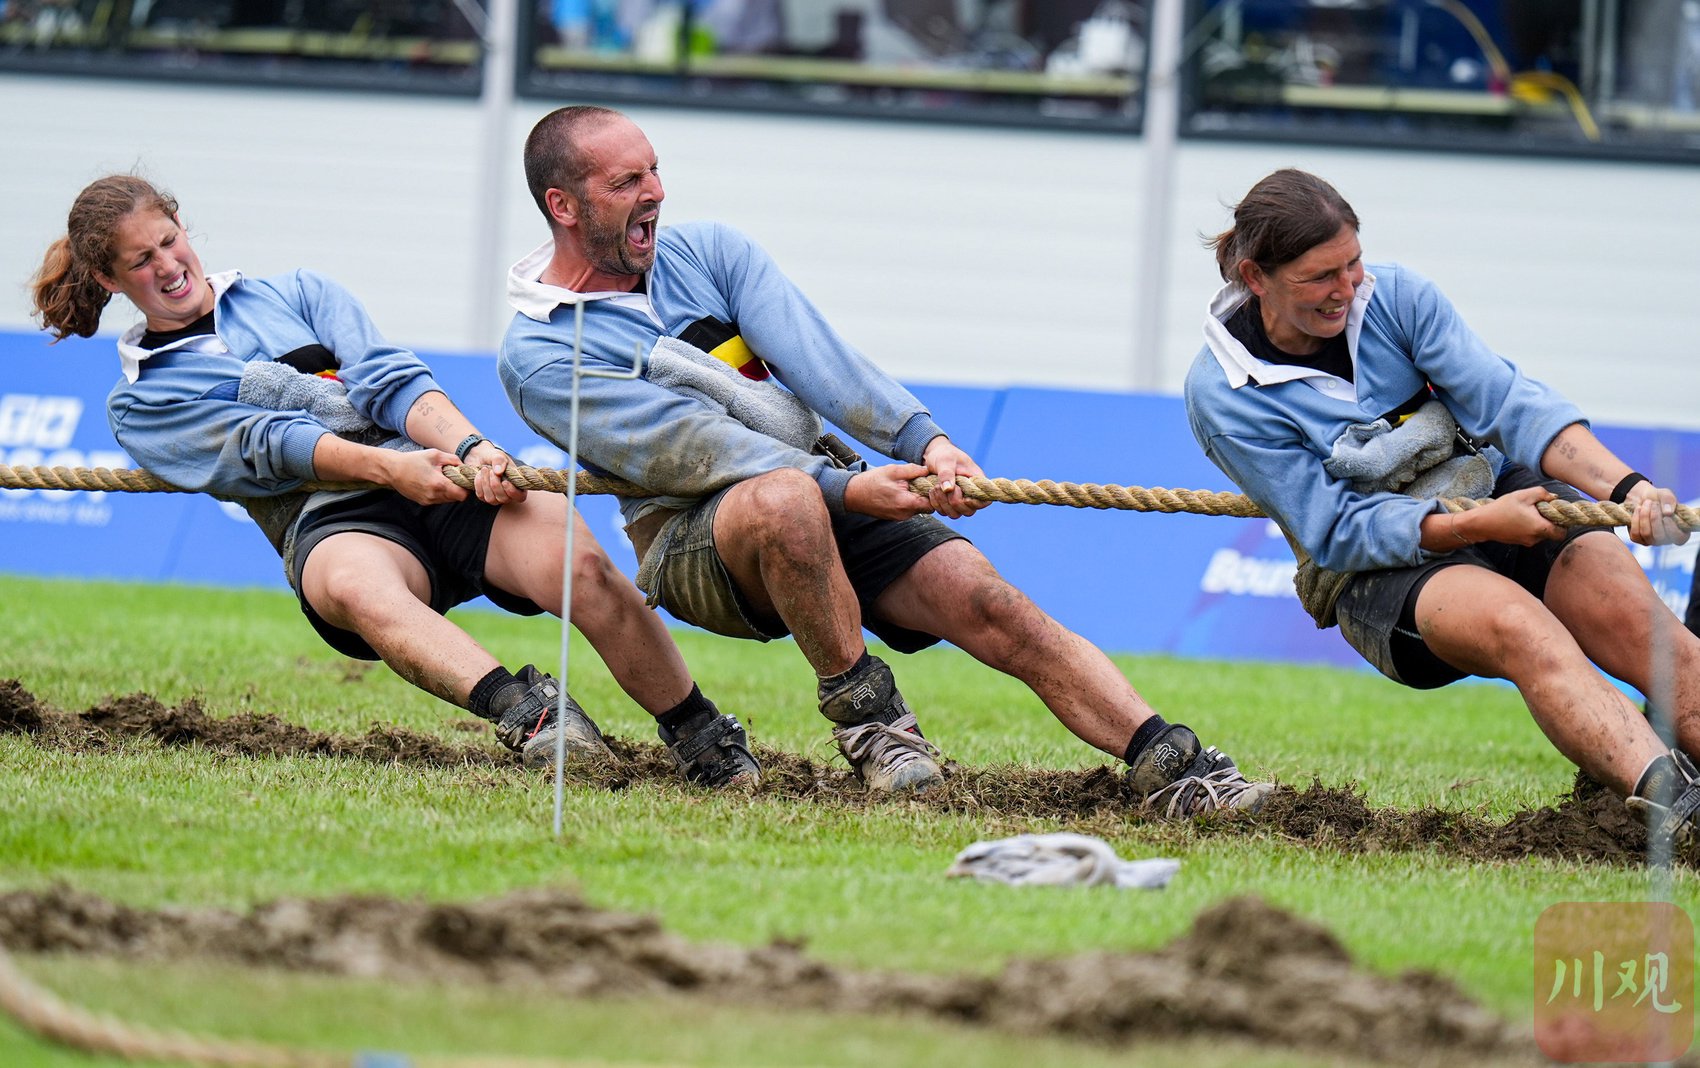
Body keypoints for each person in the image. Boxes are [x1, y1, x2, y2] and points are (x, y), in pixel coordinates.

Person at [495, 104, 1273, 812]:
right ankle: (874, 726)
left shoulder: (708, 253)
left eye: (656, 169)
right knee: (783, 498)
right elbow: (702, 454)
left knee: (990, 603)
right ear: (564, 205)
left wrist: (925, 442)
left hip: (825, 489)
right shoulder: (538, 356)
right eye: (627, 181)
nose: (657, 191)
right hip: (695, 543)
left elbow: (824, 364)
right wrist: (848, 490)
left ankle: (1177, 767)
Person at [30, 174, 758, 789]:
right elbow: (270, 445)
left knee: (580, 564)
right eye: (141, 261)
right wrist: (391, 470)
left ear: (182, 227)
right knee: (357, 588)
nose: (168, 265)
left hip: (434, 467)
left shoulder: (298, 291)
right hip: (332, 519)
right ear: (110, 281)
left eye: (168, 241)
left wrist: (471, 446)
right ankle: (530, 712)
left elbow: (388, 380)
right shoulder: (139, 403)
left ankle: (698, 731)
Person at [1185, 167, 1700, 840]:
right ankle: (1678, 811)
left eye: (1353, 263)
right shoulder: (1221, 395)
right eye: (1320, 277)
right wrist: (1479, 526)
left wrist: (1626, 488)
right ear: (1257, 278)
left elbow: (1507, 402)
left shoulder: (1397, 295)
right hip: (1374, 571)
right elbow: (1336, 530)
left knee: (1649, 632)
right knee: (1523, 628)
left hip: (1493, 485)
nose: (1348, 288)